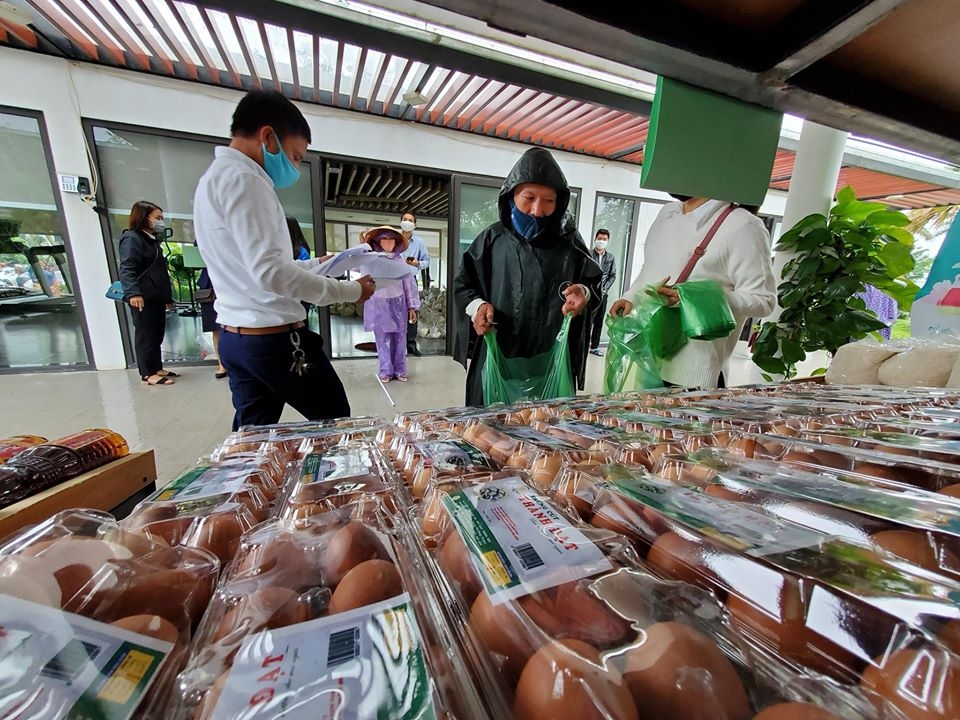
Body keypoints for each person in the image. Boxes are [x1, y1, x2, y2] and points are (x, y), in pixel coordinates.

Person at [193, 89, 376, 430]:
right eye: (295, 156)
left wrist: (318, 263)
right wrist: (352, 292)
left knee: (252, 437)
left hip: (238, 338)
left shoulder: (212, 180)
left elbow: (257, 268)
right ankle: (332, 483)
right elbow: (272, 273)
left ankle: (243, 483)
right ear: (267, 137)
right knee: (334, 422)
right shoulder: (247, 180)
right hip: (275, 340)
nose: (294, 167)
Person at [453, 146, 602, 406]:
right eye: (528, 197)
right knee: (491, 434)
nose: (537, 210)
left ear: (560, 202)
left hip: (551, 362)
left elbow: (593, 284)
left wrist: (584, 293)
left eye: (548, 201)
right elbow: (463, 285)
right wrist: (478, 307)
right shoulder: (492, 239)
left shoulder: (570, 243)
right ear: (512, 196)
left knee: (550, 431)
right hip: (498, 357)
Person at [610, 196, 777, 389]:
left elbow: (763, 300)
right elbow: (650, 269)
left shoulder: (743, 225)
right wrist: (630, 297)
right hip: (651, 358)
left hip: (695, 375)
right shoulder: (668, 213)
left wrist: (688, 298)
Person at [118, 200, 178, 386]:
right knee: (146, 335)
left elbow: (160, 272)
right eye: (157, 218)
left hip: (156, 297)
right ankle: (147, 373)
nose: (161, 221)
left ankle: (156, 367)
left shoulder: (151, 240)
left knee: (156, 333)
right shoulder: (132, 238)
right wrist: (134, 293)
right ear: (143, 218)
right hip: (142, 297)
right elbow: (127, 268)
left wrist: (166, 297)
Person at [361, 226, 420, 382]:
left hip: (398, 303)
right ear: (377, 241)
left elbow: (408, 285)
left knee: (400, 337)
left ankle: (400, 369)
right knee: (382, 338)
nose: (388, 242)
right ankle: (386, 369)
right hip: (378, 303)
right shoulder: (372, 260)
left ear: (397, 241)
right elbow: (362, 276)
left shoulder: (401, 261)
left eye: (391, 239)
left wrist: (411, 306)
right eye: (384, 239)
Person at [399, 211, 430, 356]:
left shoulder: (419, 242)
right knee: (395, 312)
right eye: (405, 219)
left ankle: (411, 344)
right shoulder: (393, 239)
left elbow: (426, 261)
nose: (407, 222)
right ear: (400, 222)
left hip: (411, 281)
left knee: (413, 312)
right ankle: (397, 345)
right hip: (394, 281)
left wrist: (417, 263)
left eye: (410, 220)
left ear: (415, 224)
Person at [588, 228, 616, 356]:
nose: (601, 241)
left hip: (603, 295)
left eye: (604, 239)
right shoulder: (588, 254)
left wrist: (604, 289)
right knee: (587, 320)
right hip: (589, 294)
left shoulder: (610, 257)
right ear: (595, 239)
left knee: (599, 320)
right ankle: (582, 345)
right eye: (600, 238)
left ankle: (594, 347)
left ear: (608, 241)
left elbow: (612, 275)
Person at [196, 267, 227, 379]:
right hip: (210, 285)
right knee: (215, 327)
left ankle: (237, 362)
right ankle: (221, 364)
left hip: (230, 280)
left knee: (236, 325)